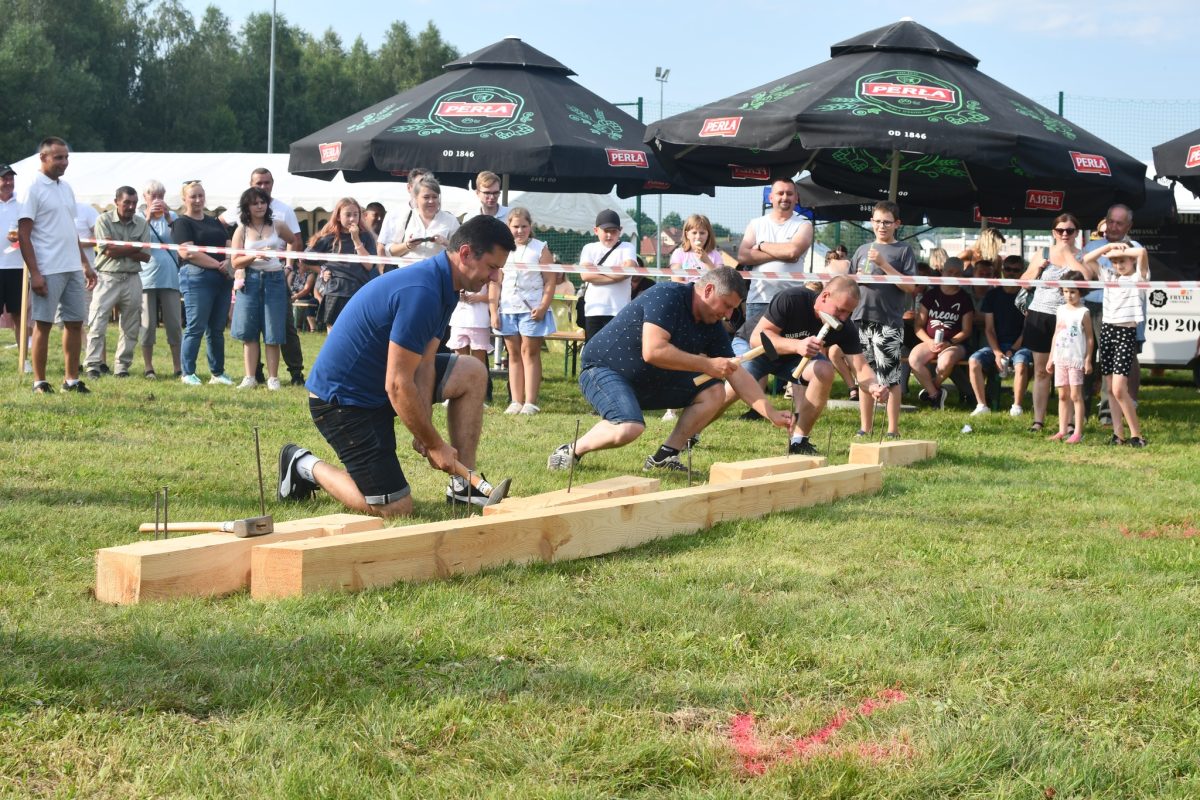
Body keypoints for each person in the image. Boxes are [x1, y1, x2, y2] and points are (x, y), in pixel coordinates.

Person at [277, 215, 516, 517]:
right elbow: (398, 384)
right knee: (396, 508)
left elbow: (425, 362)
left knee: (471, 371)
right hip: (343, 402)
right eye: (493, 267)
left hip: (377, 386)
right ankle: (302, 465)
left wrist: (425, 430)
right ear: (466, 254)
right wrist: (436, 443)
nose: (495, 277)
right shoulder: (423, 291)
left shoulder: (447, 285)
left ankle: (464, 486)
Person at [546, 267, 792, 473]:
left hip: (651, 378)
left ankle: (664, 458)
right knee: (629, 428)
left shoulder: (712, 322)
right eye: (726, 306)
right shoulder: (667, 295)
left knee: (715, 392)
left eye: (733, 310)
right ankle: (571, 451)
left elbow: (734, 371)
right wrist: (707, 364)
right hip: (603, 370)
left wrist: (770, 413)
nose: (728, 315)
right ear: (708, 290)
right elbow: (653, 351)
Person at [721, 276, 886, 455]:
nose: (843, 317)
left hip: (791, 359)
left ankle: (799, 441)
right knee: (732, 389)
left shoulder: (845, 327)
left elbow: (860, 368)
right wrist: (797, 345)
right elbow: (756, 338)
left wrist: (873, 385)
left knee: (824, 370)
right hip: (756, 348)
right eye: (840, 310)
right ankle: (692, 432)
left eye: (849, 313)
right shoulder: (792, 299)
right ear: (824, 296)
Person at [16, 137, 97, 394]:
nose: (64, 162)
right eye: (58, 157)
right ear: (43, 158)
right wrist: (36, 273)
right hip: (47, 268)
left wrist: (84, 263)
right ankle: (39, 381)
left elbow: (69, 228)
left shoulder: (66, 188)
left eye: (66, 157)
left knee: (75, 323)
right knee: (43, 324)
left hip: (72, 266)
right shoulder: (32, 188)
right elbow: (24, 234)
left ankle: (71, 380)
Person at [222, 168, 307, 385]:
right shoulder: (241, 229)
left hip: (275, 280)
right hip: (249, 281)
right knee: (249, 331)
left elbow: (294, 241)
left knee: (274, 331)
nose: (260, 206)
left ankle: (273, 378)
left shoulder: (278, 223)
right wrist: (252, 256)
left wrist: (286, 264)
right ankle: (250, 377)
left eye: (263, 202)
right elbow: (235, 262)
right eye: (255, 203)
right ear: (247, 207)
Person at [1019, 213, 1095, 433]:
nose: (1064, 234)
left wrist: (1068, 255)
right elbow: (1024, 282)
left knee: (1072, 373)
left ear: (1076, 233)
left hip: (1069, 319)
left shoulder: (1082, 256)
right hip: (1041, 315)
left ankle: (1071, 423)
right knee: (1042, 371)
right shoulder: (1042, 253)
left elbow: (1087, 281)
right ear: (1053, 232)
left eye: (1069, 231)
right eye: (1060, 230)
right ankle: (1038, 420)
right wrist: (1038, 268)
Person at [848, 201, 916, 438]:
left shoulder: (903, 251)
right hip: (861, 318)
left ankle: (892, 429)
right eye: (877, 221)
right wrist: (855, 278)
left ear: (897, 224)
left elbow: (910, 286)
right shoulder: (862, 249)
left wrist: (883, 264)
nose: (881, 226)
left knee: (890, 378)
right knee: (865, 376)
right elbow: (850, 282)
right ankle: (865, 428)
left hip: (888, 321)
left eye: (887, 222)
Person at [490, 206, 556, 415]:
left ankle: (530, 402)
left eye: (524, 226)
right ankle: (516, 401)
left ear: (530, 227)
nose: (519, 230)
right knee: (513, 354)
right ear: (508, 227)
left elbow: (550, 281)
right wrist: (494, 310)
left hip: (532, 308)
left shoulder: (540, 248)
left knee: (530, 352)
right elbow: (495, 282)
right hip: (508, 308)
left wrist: (544, 306)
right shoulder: (501, 248)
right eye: (515, 226)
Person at [735, 178, 814, 352]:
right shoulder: (756, 223)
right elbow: (743, 255)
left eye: (789, 193)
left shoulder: (804, 224)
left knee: (787, 354)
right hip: (759, 300)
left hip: (791, 303)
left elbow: (793, 252)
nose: (785, 197)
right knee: (756, 356)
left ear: (796, 198)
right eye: (780, 193)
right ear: (771, 197)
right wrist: (782, 253)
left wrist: (762, 245)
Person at [1083, 242, 1149, 447]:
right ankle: (1118, 434)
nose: (1119, 265)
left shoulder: (1138, 277)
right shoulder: (1109, 275)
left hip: (1125, 333)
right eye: (1115, 262)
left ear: (1131, 261)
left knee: (1120, 389)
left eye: (1123, 261)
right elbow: (1087, 259)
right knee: (1111, 388)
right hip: (1107, 330)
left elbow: (1142, 252)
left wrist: (1122, 251)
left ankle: (1137, 435)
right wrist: (1109, 247)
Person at [1081, 204, 1142, 422]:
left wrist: (1119, 248)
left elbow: (1141, 260)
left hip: (1118, 314)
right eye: (1111, 221)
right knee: (1085, 360)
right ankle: (1080, 413)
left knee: (1112, 367)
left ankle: (1108, 414)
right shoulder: (1092, 246)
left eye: (1119, 223)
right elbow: (1085, 271)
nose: (1113, 227)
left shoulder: (1133, 246)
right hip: (1088, 307)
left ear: (1129, 225)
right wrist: (1107, 249)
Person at [172, 179, 235, 386]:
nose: (198, 200)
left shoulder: (215, 222)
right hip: (197, 277)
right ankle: (187, 372)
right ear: (184, 199)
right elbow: (187, 252)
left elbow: (228, 245)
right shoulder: (182, 223)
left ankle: (217, 373)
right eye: (193, 196)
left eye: (200, 195)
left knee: (217, 329)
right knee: (195, 326)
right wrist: (217, 265)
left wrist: (227, 262)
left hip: (222, 279)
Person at [84, 186, 149, 379]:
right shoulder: (103, 220)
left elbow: (146, 255)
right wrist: (133, 247)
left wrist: (119, 246)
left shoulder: (141, 223)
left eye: (134, 203)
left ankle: (122, 367)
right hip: (107, 277)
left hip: (132, 278)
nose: (131, 207)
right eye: (127, 202)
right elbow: (108, 251)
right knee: (97, 322)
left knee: (130, 325)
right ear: (116, 202)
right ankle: (93, 365)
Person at [968, 254, 1033, 416]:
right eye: (1008, 269)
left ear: (1022, 272)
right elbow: (989, 329)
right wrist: (997, 353)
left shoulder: (1028, 296)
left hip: (1021, 345)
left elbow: (1027, 329)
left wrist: (1012, 350)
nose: (1011, 273)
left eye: (1016, 270)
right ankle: (981, 405)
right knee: (974, 361)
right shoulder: (993, 295)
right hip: (996, 344)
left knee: (1021, 363)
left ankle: (1016, 407)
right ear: (1002, 270)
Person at [907, 256, 974, 410]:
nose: (953, 276)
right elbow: (918, 326)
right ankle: (935, 395)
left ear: (962, 275)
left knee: (945, 362)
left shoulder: (964, 298)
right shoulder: (931, 295)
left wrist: (949, 343)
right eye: (949, 272)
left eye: (957, 273)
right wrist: (929, 342)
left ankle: (934, 388)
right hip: (931, 341)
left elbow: (966, 330)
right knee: (914, 359)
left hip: (955, 343)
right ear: (942, 272)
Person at [305, 197, 377, 330]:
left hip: (359, 290)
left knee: (356, 332)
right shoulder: (328, 236)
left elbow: (369, 265)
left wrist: (356, 239)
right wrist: (322, 269)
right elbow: (305, 258)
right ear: (338, 216)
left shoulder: (366, 236)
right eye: (348, 215)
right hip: (335, 291)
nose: (352, 219)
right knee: (334, 333)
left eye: (355, 215)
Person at [138, 179, 182, 378]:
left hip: (171, 277)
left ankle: (178, 367)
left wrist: (168, 218)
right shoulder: (139, 216)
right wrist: (147, 218)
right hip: (146, 277)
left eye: (160, 196)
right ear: (145, 197)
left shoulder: (172, 216)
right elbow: (137, 240)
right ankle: (148, 367)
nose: (157, 200)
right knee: (147, 325)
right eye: (153, 196)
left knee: (174, 324)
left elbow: (181, 240)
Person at [1046, 271, 1093, 443]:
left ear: (1081, 292)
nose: (1069, 295)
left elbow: (1089, 337)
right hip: (1060, 358)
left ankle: (1077, 432)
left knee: (1075, 395)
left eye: (1072, 291)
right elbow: (1056, 334)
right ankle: (1062, 430)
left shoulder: (1084, 312)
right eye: (1065, 291)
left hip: (1075, 359)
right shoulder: (1060, 310)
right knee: (1062, 395)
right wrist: (1051, 357)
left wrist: (1088, 359)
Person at [578, 209, 637, 341]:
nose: (609, 235)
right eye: (606, 231)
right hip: (594, 311)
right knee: (593, 353)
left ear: (620, 230)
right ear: (596, 230)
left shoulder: (627, 247)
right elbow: (586, 276)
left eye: (613, 231)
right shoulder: (589, 248)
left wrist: (597, 270)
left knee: (617, 353)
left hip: (620, 310)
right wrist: (617, 275)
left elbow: (627, 271)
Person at [381, 172, 458, 262]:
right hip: (409, 271)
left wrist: (446, 242)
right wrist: (407, 245)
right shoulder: (404, 217)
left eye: (435, 197)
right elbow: (390, 252)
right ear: (416, 198)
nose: (431, 201)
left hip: (438, 272)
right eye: (426, 197)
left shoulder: (450, 220)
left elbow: (461, 251)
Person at [0, 163, 26, 352]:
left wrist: (19, 237)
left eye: (11, 178)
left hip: (17, 266)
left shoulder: (22, 204)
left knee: (19, 314)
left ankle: (22, 359)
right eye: (4, 178)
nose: (8, 182)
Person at [669, 214, 722, 283]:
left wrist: (707, 261)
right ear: (687, 234)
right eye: (694, 233)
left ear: (708, 234)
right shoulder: (679, 253)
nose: (698, 236)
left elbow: (720, 282)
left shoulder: (716, 255)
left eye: (702, 233)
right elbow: (676, 281)